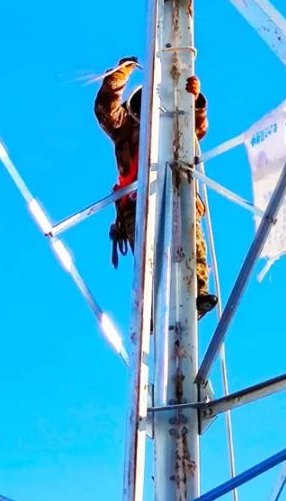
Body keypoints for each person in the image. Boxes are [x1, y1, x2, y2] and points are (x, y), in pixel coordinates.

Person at [94, 55, 219, 318]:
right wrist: (119, 75)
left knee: (190, 237)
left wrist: (194, 102)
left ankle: (196, 293)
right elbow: (106, 108)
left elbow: (198, 129)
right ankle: (152, 308)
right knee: (147, 252)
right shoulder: (125, 128)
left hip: (178, 189)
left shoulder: (175, 122)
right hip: (136, 203)